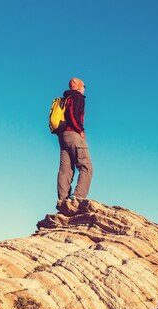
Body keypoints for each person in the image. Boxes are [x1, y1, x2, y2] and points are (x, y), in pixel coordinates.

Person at [56, 77, 93, 211]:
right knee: (86, 166)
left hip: (62, 136)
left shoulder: (65, 97)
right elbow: (73, 115)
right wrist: (80, 130)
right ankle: (77, 198)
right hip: (73, 134)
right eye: (84, 85)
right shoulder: (78, 96)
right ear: (78, 86)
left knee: (65, 169)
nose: (84, 88)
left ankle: (62, 200)